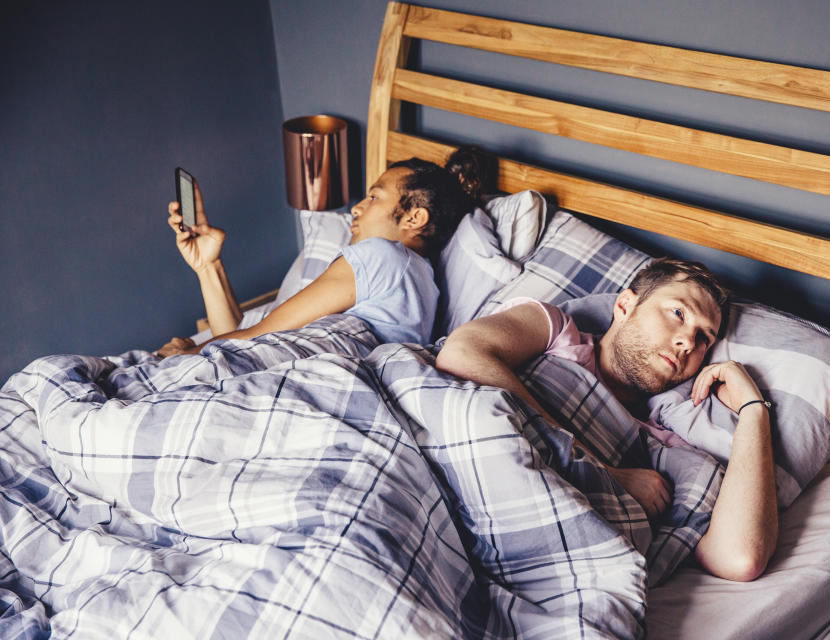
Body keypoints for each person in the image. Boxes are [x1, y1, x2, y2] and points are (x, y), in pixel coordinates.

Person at [435, 258, 778, 582]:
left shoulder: (663, 445)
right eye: (678, 313)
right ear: (625, 306)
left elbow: (740, 558)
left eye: (704, 338)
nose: (688, 341)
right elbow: (461, 351)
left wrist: (754, 409)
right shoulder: (554, 332)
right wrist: (604, 471)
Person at [157, 147, 489, 357]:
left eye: (374, 197)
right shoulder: (421, 282)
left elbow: (258, 337)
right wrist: (208, 265)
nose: (356, 209)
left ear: (415, 217)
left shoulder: (382, 256)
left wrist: (186, 353)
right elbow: (244, 346)